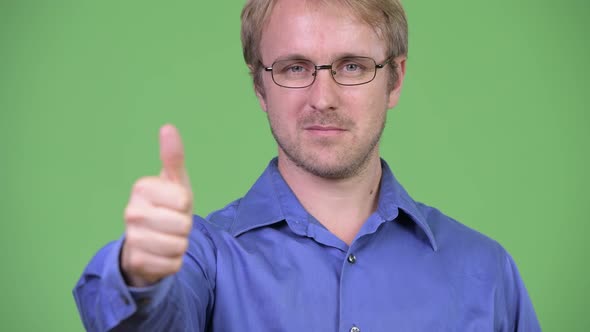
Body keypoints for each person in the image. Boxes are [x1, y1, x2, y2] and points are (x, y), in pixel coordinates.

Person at [73, 0, 541, 331]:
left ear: (394, 80)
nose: (323, 99)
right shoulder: (201, 261)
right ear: (260, 87)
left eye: (353, 66)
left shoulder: (487, 272)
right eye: (295, 68)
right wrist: (137, 275)